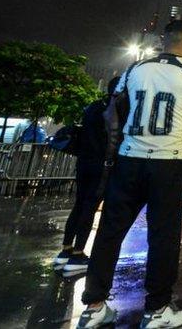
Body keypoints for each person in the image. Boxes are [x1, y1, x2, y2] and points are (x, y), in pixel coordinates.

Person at [77, 20, 182, 329]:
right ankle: (156, 310)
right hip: (169, 161)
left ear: (162, 40)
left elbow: (112, 110)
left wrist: (116, 143)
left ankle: (95, 305)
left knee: (110, 230)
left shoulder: (136, 68)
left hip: (129, 157)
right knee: (164, 235)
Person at [53, 76, 120, 277]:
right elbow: (115, 138)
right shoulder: (115, 109)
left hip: (84, 162)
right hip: (102, 165)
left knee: (80, 204)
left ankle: (65, 251)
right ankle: (78, 254)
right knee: (90, 208)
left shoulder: (93, 106)